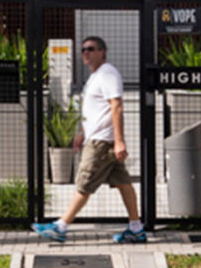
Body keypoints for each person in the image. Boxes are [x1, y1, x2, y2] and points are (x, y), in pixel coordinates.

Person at [34, 35, 148, 245]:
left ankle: (61, 226)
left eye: (91, 49)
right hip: (97, 138)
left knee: (84, 183)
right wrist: (82, 133)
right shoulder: (95, 77)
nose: (85, 52)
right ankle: (136, 228)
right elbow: (96, 111)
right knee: (124, 183)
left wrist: (119, 141)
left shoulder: (108, 74)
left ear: (102, 52)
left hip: (102, 143)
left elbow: (117, 106)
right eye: (83, 49)